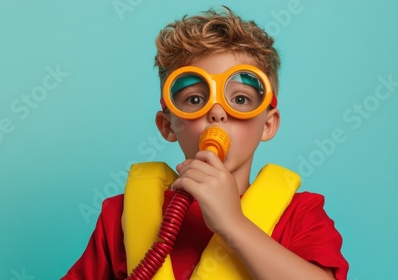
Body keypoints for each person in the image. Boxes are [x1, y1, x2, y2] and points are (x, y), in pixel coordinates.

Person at [62, 6, 348, 280]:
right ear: (168, 125)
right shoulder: (120, 216)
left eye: (240, 99)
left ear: (268, 124)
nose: (217, 112)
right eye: (195, 99)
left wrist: (232, 225)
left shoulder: (300, 215)